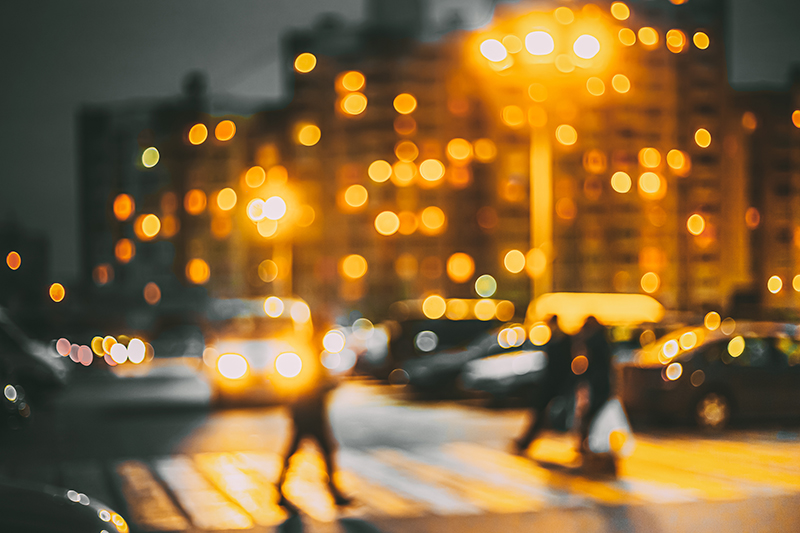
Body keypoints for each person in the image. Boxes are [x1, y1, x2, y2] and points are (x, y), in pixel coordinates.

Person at [276, 358, 353, 510]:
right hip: (309, 415)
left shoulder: (307, 360)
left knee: (321, 452)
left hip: (309, 415)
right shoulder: (307, 362)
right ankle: (333, 491)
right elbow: (308, 387)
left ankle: (280, 488)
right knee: (324, 452)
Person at [513, 314, 573, 454]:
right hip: (552, 384)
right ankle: (525, 442)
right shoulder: (556, 339)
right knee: (538, 414)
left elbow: (563, 364)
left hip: (557, 384)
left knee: (543, 414)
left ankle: (525, 442)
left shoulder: (563, 340)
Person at [575, 315, 613, 456]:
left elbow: (588, 364)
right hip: (601, 383)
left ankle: (587, 443)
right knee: (593, 415)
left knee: (590, 415)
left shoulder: (592, 341)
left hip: (596, 383)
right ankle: (590, 443)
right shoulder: (602, 340)